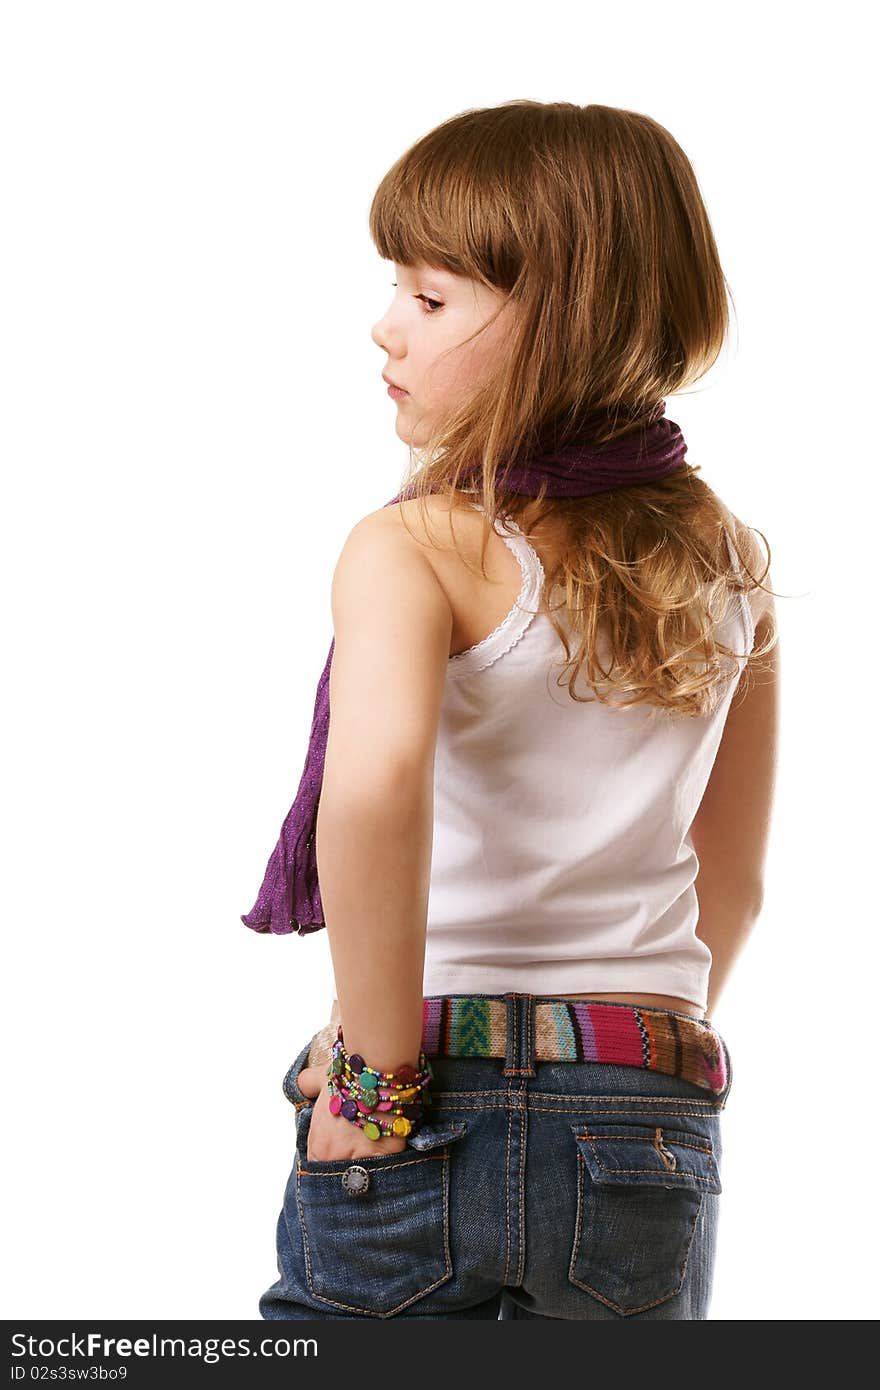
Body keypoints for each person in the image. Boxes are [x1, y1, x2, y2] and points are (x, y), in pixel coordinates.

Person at [253, 100, 780, 1321]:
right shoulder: (728, 559)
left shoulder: (414, 545)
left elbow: (374, 792)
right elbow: (730, 876)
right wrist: (625, 1062)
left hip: (421, 1075)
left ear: (562, 325)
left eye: (429, 300)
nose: (383, 326)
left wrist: (375, 1084)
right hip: (641, 1102)